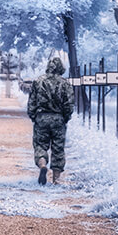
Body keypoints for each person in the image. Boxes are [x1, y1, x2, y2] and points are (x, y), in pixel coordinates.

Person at [27, 56, 75, 185]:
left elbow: (32, 102)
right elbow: (69, 104)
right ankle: (56, 179)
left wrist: (33, 116)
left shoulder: (38, 81)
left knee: (40, 145)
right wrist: (65, 118)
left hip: (41, 118)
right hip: (58, 119)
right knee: (58, 148)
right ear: (61, 68)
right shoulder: (65, 83)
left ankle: (43, 165)